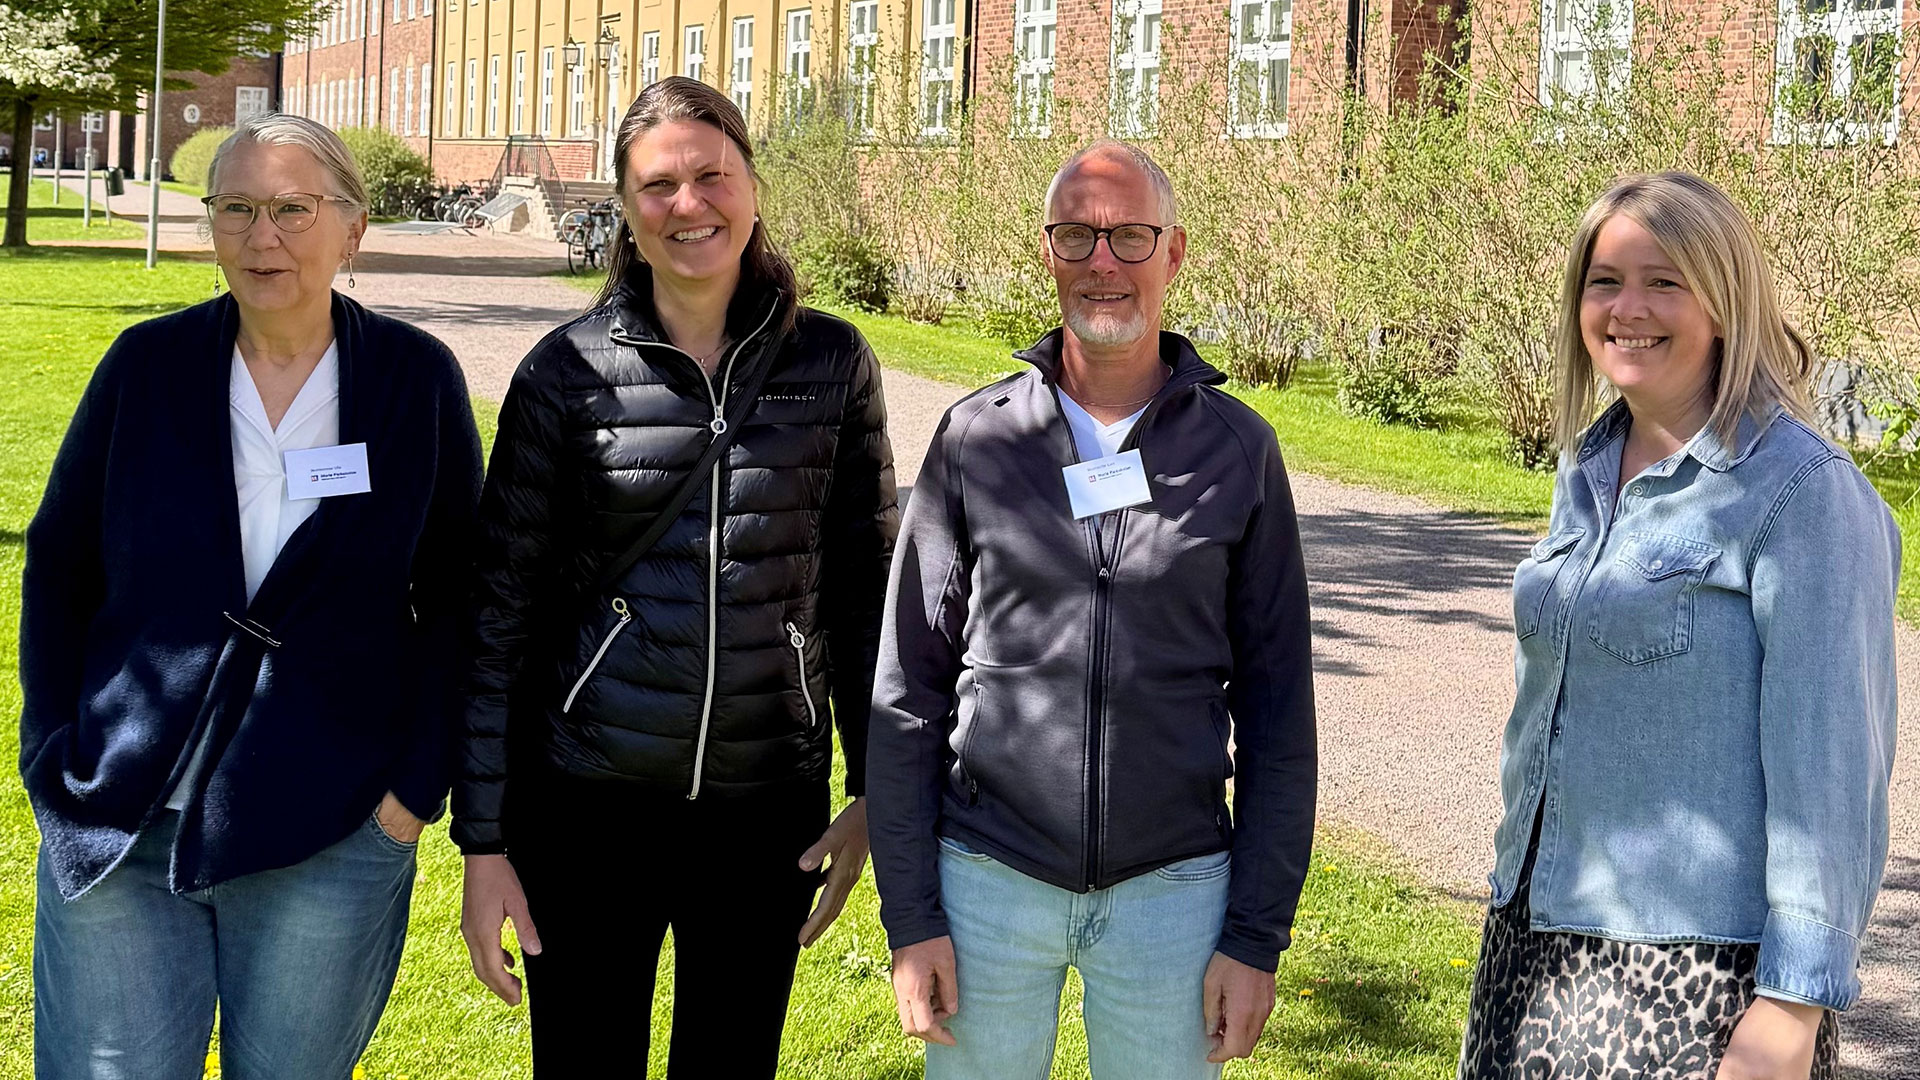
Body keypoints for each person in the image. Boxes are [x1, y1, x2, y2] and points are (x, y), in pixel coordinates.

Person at [21, 113, 482, 1079]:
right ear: (210, 225)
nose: (262, 236)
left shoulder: (410, 381)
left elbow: (457, 596)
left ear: (353, 228)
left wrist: (412, 792)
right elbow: (61, 562)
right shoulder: (146, 369)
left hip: (329, 825)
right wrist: (50, 749)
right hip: (125, 812)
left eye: (291, 209)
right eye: (236, 208)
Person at [454, 76, 897, 1077]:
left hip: (764, 806)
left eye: (711, 176)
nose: (687, 205)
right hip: (585, 807)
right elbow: (499, 620)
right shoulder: (563, 375)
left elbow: (865, 593)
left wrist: (874, 790)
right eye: (658, 185)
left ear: (751, 187)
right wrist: (483, 845)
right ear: (625, 207)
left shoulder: (831, 364)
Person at [866, 140, 1319, 1079]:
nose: (1103, 261)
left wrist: (1255, 935)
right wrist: (912, 919)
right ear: (1048, 251)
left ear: (1174, 252)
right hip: (989, 881)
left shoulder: (1240, 453)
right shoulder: (978, 439)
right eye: (1077, 235)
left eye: (1129, 236)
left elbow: (1279, 712)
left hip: (1174, 896)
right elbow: (908, 690)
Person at [1457, 171, 1899, 1080]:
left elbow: (1834, 772)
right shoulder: (1589, 471)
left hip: (1695, 981)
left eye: (1664, 280)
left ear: (1724, 301)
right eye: (1604, 280)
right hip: (1533, 948)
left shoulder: (1800, 495)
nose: (1628, 307)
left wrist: (1791, 1007)